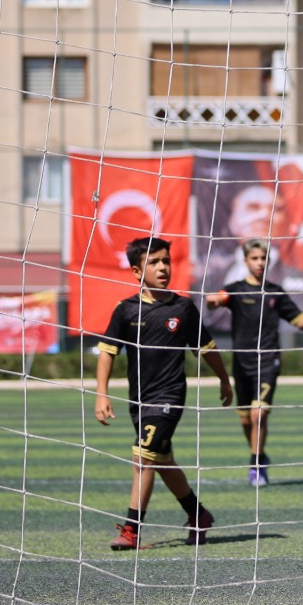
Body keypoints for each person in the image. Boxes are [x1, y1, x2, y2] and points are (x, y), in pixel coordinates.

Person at [94, 236, 231, 551]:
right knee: (161, 460)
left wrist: (224, 379)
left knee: (142, 458)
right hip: (138, 400)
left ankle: (131, 530)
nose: (162, 268)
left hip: (170, 397)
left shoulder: (183, 307)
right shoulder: (125, 309)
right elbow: (107, 353)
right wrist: (101, 394)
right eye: (153, 262)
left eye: (166, 261)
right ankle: (198, 514)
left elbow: (206, 348)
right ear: (136, 271)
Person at [205, 237, 303, 486]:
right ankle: (259, 454)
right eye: (255, 258)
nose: (260, 263)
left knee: (259, 414)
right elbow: (216, 300)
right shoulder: (236, 289)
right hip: (242, 362)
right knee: (246, 419)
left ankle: (256, 464)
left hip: (268, 361)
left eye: (264, 258)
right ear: (246, 261)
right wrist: (213, 300)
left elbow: (300, 322)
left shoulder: (275, 293)